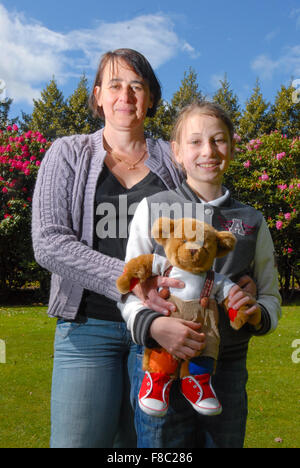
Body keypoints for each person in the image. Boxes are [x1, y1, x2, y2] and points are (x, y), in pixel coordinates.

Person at [31, 48, 194, 448]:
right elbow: (49, 242)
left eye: (137, 86)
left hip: (161, 329)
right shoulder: (67, 152)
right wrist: (131, 280)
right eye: (116, 85)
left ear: (151, 98)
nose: (127, 95)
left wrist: (237, 275)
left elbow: (202, 230)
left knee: (150, 448)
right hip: (88, 326)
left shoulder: (174, 161)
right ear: (99, 95)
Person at [119, 100, 282, 448]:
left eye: (218, 140)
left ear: (232, 148)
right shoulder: (154, 208)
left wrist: (255, 311)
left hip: (226, 365)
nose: (207, 150)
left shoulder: (252, 221)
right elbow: (130, 286)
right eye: (194, 141)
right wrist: (154, 326)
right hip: (158, 360)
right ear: (177, 152)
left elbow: (270, 294)